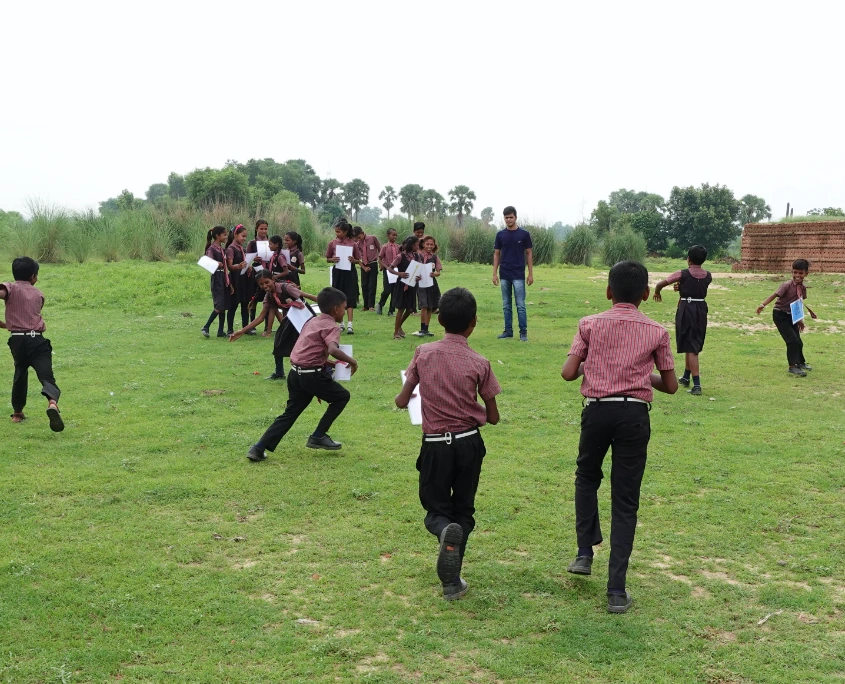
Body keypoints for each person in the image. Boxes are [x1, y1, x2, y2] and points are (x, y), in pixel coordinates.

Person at [561, 261, 677, 614]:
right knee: (626, 500)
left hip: (597, 412)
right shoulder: (657, 331)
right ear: (646, 293)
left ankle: (584, 552)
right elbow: (671, 385)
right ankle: (616, 591)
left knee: (586, 478)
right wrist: (640, 376)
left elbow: (568, 373)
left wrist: (596, 365)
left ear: (608, 291)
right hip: (633, 416)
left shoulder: (590, 324)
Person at [396, 287, 501, 600]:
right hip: (469, 443)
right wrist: (474, 410)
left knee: (436, 509)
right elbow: (493, 417)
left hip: (436, 444)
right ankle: (452, 581)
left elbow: (403, 400)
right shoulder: (480, 363)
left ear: (439, 318)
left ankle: (443, 532)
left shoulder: (423, 353)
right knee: (464, 511)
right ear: (474, 322)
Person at [246, 287, 358, 461]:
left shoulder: (312, 321)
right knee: (342, 396)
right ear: (336, 309)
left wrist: (327, 362)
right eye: (344, 308)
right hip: (311, 376)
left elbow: (308, 349)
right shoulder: (332, 327)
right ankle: (318, 435)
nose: (345, 311)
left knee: (291, 412)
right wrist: (352, 361)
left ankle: (258, 448)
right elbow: (332, 349)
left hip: (295, 373)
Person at [1, 257, 64, 431]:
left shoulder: (10, 287)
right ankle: (52, 403)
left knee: (20, 373)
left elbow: (3, 294)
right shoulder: (39, 294)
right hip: (36, 339)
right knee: (46, 375)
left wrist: (5, 323)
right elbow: (29, 317)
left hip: (17, 341)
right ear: (33, 276)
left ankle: (17, 413)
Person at [230, 271, 318, 382]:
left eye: (267, 282)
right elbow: (261, 318)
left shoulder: (286, 288)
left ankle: (324, 368)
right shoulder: (269, 296)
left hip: (305, 316)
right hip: (291, 318)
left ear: (273, 279)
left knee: (311, 344)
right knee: (278, 341)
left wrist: (330, 303)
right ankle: (279, 372)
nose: (265, 286)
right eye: (261, 284)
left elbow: (307, 296)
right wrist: (241, 331)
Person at [652, 245, 712, 395]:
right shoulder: (708, 275)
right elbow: (696, 285)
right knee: (691, 342)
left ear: (688, 259)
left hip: (687, 309)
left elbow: (660, 283)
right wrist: (683, 287)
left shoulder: (682, 274)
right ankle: (686, 376)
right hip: (701, 309)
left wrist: (657, 292)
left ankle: (697, 385)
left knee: (691, 347)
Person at [756, 258, 817, 377]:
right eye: (795, 272)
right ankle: (792, 367)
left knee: (798, 341)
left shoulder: (803, 288)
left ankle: (800, 363)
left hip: (792, 316)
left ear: (806, 274)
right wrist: (762, 305)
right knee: (792, 340)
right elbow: (774, 296)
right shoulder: (787, 285)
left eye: (800, 273)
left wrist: (800, 320)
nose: (797, 275)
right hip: (780, 315)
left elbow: (798, 304)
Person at [492, 206, 534, 342]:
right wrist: (494, 273)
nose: (508, 219)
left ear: (516, 217)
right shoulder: (500, 235)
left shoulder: (524, 234)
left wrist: (530, 274)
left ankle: (523, 332)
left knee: (520, 304)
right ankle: (508, 331)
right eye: (506, 217)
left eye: (511, 217)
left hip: (518, 274)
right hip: (504, 273)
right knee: (506, 304)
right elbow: (497, 254)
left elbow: (529, 253)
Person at [326, 218, 362, 334]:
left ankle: (350, 324)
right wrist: (333, 259)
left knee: (350, 297)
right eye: (336, 231)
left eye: (339, 231)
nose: (337, 234)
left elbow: (358, 260)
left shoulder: (353, 244)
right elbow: (327, 258)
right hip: (338, 272)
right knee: (338, 297)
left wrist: (353, 260)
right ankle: (340, 323)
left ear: (345, 232)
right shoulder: (333, 243)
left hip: (350, 272)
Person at [387, 236, 422, 340]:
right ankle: (395, 332)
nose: (418, 246)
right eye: (416, 244)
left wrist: (419, 276)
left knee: (410, 309)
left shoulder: (417, 256)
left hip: (412, 285)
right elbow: (390, 268)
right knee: (401, 309)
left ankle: (399, 326)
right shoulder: (401, 256)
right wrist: (399, 273)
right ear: (411, 245)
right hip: (402, 285)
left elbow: (418, 269)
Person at [201, 226, 231, 338]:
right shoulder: (211, 249)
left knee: (223, 306)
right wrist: (217, 263)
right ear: (218, 236)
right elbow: (208, 262)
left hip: (223, 276)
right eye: (224, 235)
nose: (226, 237)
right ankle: (206, 326)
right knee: (219, 306)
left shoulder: (221, 249)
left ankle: (220, 331)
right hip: (217, 277)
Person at [413, 235, 443, 337]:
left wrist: (435, 274)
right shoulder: (418, 256)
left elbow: (438, 272)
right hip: (421, 284)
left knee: (430, 306)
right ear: (423, 244)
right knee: (424, 306)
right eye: (427, 244)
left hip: (431, 283)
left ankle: (426, 328)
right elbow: (414, 269)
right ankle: (422, 329)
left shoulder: (435, 257)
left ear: (434, 246)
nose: (429, 246)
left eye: (431, 244)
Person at [225, 225, 252, 336]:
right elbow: (230, 266)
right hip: (235, 279)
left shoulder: (242, 248)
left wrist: (248, 266)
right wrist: (239, 266)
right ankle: (230, 329)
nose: (244, 239)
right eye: (242, 236)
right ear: (235, 235)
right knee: (233, 305)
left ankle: (245, 328)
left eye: (246, 236)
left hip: (243, 278)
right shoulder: (231, 249)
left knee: (245, 304)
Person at [246, 219, 271, 321]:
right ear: (256, 229)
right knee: (254, 298)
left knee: (269, 297)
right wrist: (253, 258)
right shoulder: (252, 243)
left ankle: (267, 325)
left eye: (265, 229)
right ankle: (252, 323)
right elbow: (247, 259)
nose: (263, 231)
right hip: (256, 272)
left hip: (268, 272)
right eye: (261, 229)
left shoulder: (270, 242)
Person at [353, 226, 381, 311]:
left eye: (359, 237)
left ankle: (371, 305)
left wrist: (381, 262)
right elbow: (357, 259)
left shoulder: (373, 238)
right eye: (356, 238)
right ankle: (365, 305)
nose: (358, 239)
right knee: (364, 285)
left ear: (362, 233)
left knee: (372, 285)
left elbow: (380, 249)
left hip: (373, 264)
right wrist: (364, 267)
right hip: (363, 265)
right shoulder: (357, 244)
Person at [376, 228, 400, 316]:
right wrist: (385, 266)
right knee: (387, 289)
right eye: (393, 235)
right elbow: (379, 258)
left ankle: (391, 310)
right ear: (388, 235)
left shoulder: (398, 247)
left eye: (396, 235)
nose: (395, 237)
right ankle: (380, 304)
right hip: (387, 270)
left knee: (395, 291)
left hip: (396, 270)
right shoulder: (385, 247)